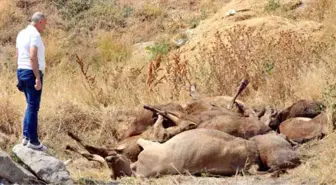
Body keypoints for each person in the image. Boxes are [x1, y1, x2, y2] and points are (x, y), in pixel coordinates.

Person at [16, 12, 47, 151]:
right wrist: (37, 77)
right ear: (40, 21)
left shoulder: (21, 33)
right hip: (31, 72)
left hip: (21, 70)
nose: (45, 27)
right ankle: (33, 141)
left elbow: (17, 54)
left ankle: (26, 137)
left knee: (30, 105)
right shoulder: (34, 35)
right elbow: (33, 56)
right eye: (44, 23)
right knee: (34, 107)